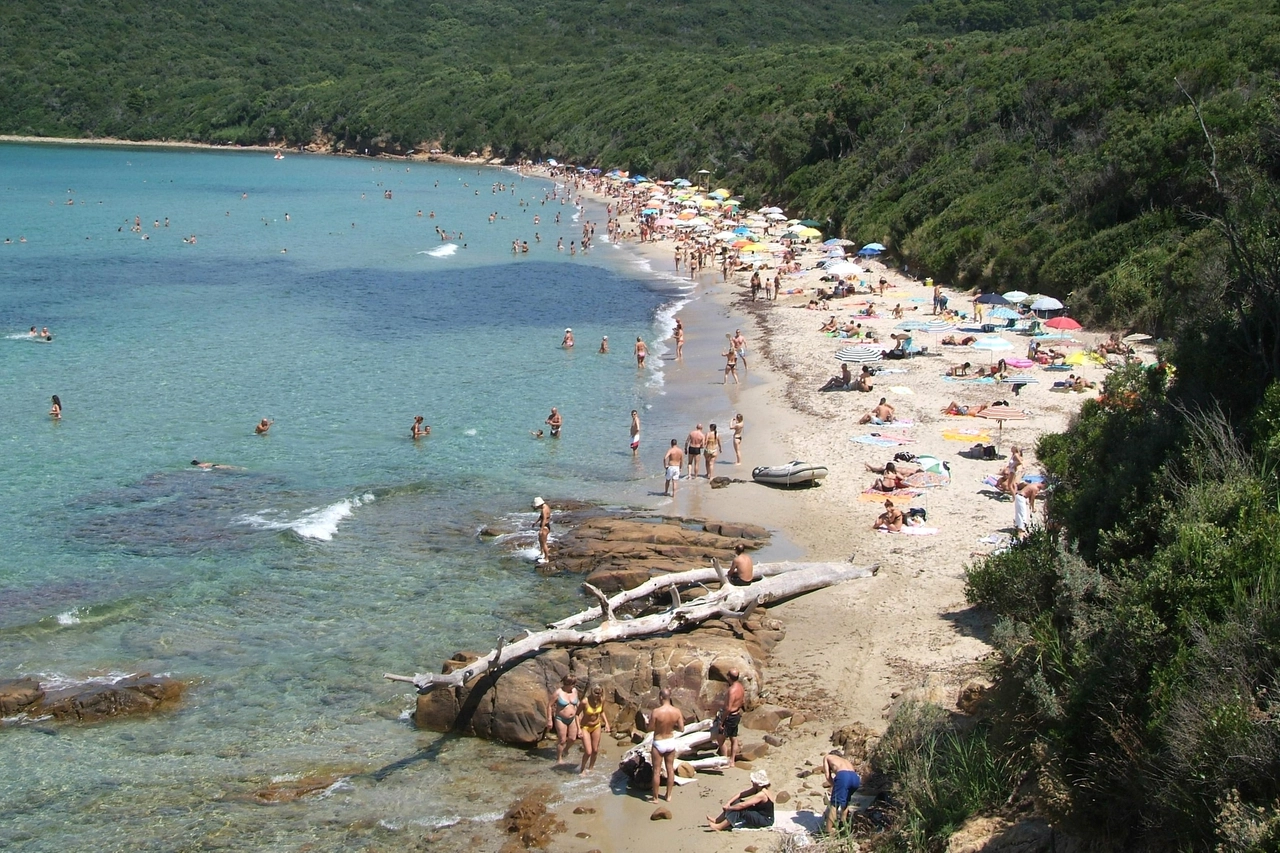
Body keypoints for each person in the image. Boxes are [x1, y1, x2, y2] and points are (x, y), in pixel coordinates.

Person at [706, 770, 775, 830]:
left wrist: (729, 808)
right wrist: (729, 803)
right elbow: (741, 794)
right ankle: (718, 820)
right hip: (759, 813)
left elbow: (743, 805)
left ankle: (720, 827)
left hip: (766, 820)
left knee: (739, 809)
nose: (751, 781)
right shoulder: (758, 789)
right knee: (736, 802)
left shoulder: (762, 794)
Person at [649, 688, 685, 802]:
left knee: (656, 771)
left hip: (659, 741)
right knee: (670, 769)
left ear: (660, 697)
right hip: (670, 741)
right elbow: (682, 729)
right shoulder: (677, 711)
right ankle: (668, 796)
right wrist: (670, 726)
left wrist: (648, 723)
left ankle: (655, 798)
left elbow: (650, 728)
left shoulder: (656, 712)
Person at [823, 752, 863, 833]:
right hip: (855, 778)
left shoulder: (828, 757)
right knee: (845, 802)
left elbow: (828, 776)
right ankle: (843, 826)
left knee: (835, 804)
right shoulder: (845, 760)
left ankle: (828, 831)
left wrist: (835, 786)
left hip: (843, 776)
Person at [713, 668, 746, 766]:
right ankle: (732, 760)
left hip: (730, 716)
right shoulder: (740, 687)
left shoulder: (732, 690)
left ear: (729, 677)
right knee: (733, 738)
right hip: (736, 715)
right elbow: (743, 701)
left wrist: (721, 722)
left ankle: (725, 760)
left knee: (720, 739)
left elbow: (728, 708)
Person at [577, 683, 611, 774]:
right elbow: (576, 715)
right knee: (588, 751)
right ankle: (582, 769)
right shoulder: (585, 701)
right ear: (591, 692)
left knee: (595, 750)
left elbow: (602, 711)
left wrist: (607, 723)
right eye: (596, 693)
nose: (598, 695)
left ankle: (591, 768)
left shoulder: (601, 700)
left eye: (599, 693)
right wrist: (578, 729)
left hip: (596, 726)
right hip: (585, 727)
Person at [546, 674, 580, 765]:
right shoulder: (558, 693)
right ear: (567, 683)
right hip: (560, 719)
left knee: (572, 738)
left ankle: (566, 750)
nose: (574, 686)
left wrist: (580, 715)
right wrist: (549, 719)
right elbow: (549, 705)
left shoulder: (574, 691)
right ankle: (559, 758)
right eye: (573, 684)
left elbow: (577, 703)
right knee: (562, 740)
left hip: (572, 718)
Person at [533, 496, 552, 564]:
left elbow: (544, 519)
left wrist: (541, 529)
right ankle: (542, 554)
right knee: (540, 541)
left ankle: (546, 558)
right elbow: (541, 517)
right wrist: (536, 522)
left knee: (544, 543)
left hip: (545, 527)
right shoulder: (545, 507)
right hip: (546, 526)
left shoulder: (544, 509)